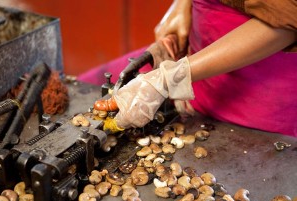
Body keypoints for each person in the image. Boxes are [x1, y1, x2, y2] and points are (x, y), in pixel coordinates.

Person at [79, 0, 297, 137]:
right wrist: (182, 6)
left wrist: (171, 78)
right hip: (193, 61)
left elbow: (289, 19)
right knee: (82, 85)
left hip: (257, 99)